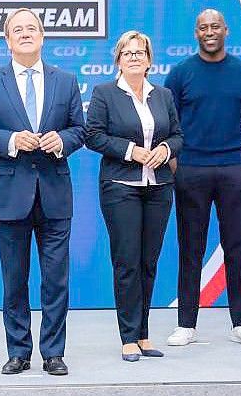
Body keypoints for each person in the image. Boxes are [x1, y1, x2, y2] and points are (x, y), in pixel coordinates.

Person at [0, 8, 85, 376]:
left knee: (55, 280)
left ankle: (53, 352)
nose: (25, 34)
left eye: (31, 28)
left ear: (43, 36)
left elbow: (81, 130)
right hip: (10, 196)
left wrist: (62, 139)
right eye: (17, 29)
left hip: (54, 194)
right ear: (7, 40)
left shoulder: (65, 80)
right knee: (14, 280)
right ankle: (18, 351)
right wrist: (12, 140)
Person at [164, 9, 241, 347]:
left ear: (226, 30)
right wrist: (179, 167)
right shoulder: (180, 74)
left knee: (237, 248)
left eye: (215, 27)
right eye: (203, 27)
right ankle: (186, 324)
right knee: (190, 249)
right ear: (196, 33)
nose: (209, 32)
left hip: (235, 170)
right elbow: (168, 126)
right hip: (190, 170)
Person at [85, 31, 182, 361]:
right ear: (118, 60)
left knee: (148, 263)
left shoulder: (163, 95)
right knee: (127, 262)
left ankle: (143, 334)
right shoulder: (105, 93)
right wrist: (131, 151)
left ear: (150, 60)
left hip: (159, 188)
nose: (135, 57)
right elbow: (93, 136)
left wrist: (166, 149)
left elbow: (179, 135)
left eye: (140, 53)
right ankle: (127, 336)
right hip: (120, 187)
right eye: (128, 53)